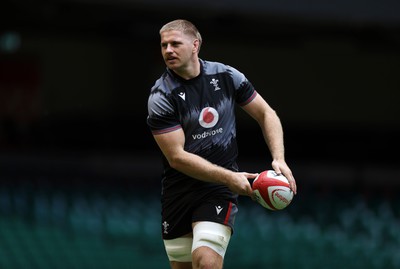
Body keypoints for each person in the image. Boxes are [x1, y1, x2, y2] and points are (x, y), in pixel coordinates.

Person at [146, 19, 297, 269]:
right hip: (178, 193)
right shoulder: (161, 96)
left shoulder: (226, 76)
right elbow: (176, 157)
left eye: (175, 44)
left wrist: (278, 158)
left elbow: (266, 114)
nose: (168, 50)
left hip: (217, 190)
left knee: (206, 263)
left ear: (195, 45)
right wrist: (230, 177)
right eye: (164, 45)